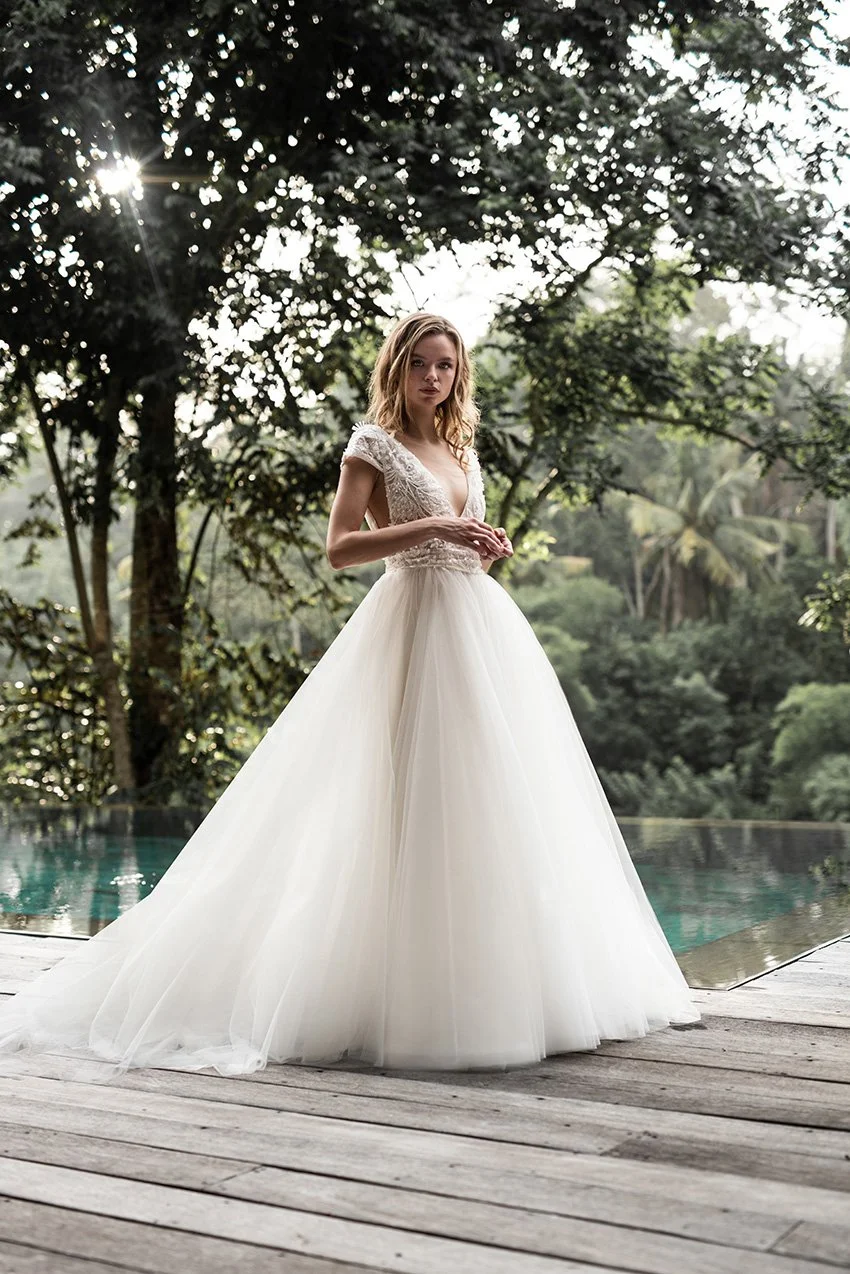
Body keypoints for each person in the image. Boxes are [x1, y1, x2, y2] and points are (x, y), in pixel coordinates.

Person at [0, 312, 700, 1075]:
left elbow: (462, 542)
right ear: (397, 367)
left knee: (488, 799)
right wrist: (433, 525)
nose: (435, 377)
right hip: (408, 628)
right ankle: (390, 999)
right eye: (421, 364)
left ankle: (509, 987)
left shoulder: (462, 446)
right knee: (395, 800)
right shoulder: (372, 444)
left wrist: (485, 545)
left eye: (446, 365)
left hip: (479, 631)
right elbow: (339, 549)